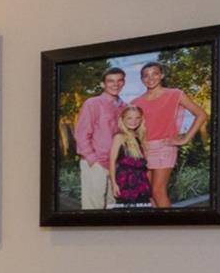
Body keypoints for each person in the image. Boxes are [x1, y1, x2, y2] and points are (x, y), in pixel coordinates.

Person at [133, 61, 207, 208]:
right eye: (146, 75)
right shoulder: (136, 102)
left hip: (164, 147)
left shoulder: (175, 94)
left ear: (162, 75)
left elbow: (201, 114)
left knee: (158, 191)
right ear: (142, 79)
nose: (150, 78)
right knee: (149, 193)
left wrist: (185, 139)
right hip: (143, 149)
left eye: (155, 74)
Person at [73, 67, 126, 209]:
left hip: (115, 164)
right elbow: (81, 134)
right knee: (93, 207)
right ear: (103, 84)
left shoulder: (124, 107)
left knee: (111, 205)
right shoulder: (93, 103)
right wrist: (93, 160)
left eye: (119, 80)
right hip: (95, 163)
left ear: (123, 83)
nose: (115, 84)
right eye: (110, 81)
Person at [108, 105, 151, 207]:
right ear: (123, 119)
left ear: (141, 119)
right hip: (125, 181)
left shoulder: (140, 136)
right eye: (129, 118)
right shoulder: (119, 137)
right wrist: (114, 184)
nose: (133, 121)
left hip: (141, 181)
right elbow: (112, 161)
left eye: (137, 118)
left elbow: (145, 163)